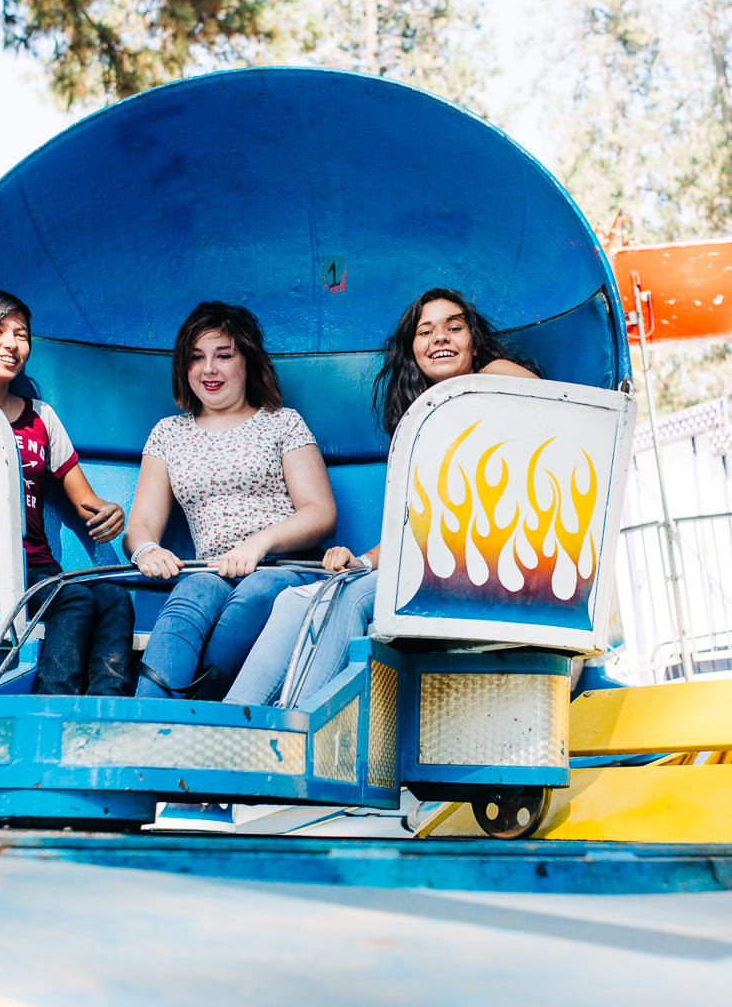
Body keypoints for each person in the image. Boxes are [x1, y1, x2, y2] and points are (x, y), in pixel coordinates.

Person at [226, 288, 535, 710]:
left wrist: (461, 389)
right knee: (300, 597)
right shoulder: (419, 427)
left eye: (454, 328)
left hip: (497, 564)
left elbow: (553, 405)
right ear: (413, 350)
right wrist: (362, 562)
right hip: (433, 564)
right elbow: (412, 530)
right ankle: (235, 723)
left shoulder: (495, 375)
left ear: (474, 342)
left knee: (349, 599)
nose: (440, 337)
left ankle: (300, 727)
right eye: (426, 331)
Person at [126, 301, 336, 700]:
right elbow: (140, 526)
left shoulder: (282, 421)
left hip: (285, 567)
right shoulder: (168, 433)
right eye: (197, 358)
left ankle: (200, 719)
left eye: (223, 356)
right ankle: (147, 726)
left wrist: (259, 544)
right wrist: (147, 550)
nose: (209, 369)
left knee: (255, 596)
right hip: (210, 569)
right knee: (186, 602)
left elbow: (321, 512)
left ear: (247, 362)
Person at [0, 288, 133, 695]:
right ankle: (54, 702)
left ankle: (106, 709)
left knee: (114, 597)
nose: (12, 344)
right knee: (75, 600)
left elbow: (86, 500)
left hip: (35, 566)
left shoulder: (41, 417)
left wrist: (108, 511)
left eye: (21, 334)